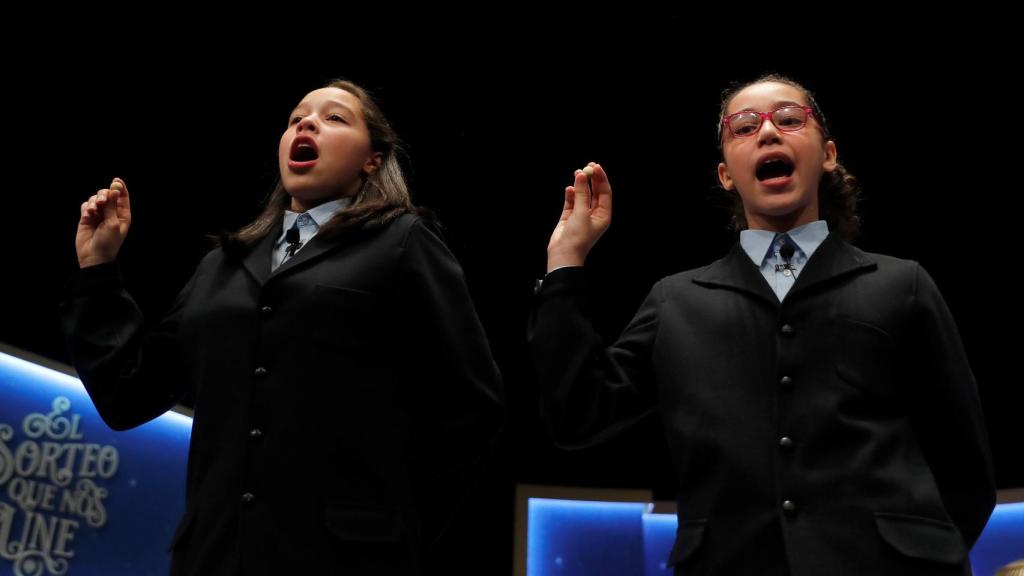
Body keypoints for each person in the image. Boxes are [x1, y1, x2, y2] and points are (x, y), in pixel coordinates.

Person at [529, 74, 995, 575]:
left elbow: (965, 468)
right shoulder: (676, 301)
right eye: (745, 126)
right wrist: (565, 261)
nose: (769, 132)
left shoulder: (903, 284)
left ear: (829, 155)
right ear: (726, 174)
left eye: (790, 119)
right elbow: (578, 415)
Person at [62, 78, 504, 575]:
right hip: (214, 558)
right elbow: (128, 394)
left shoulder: (404, 243)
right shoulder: (221, 265)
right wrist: (98, 271)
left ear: (372, 160)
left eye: (334, 117)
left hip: (346, 560)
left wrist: (397, 530)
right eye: (296, 118)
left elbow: (472, 407)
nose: (307, 123)